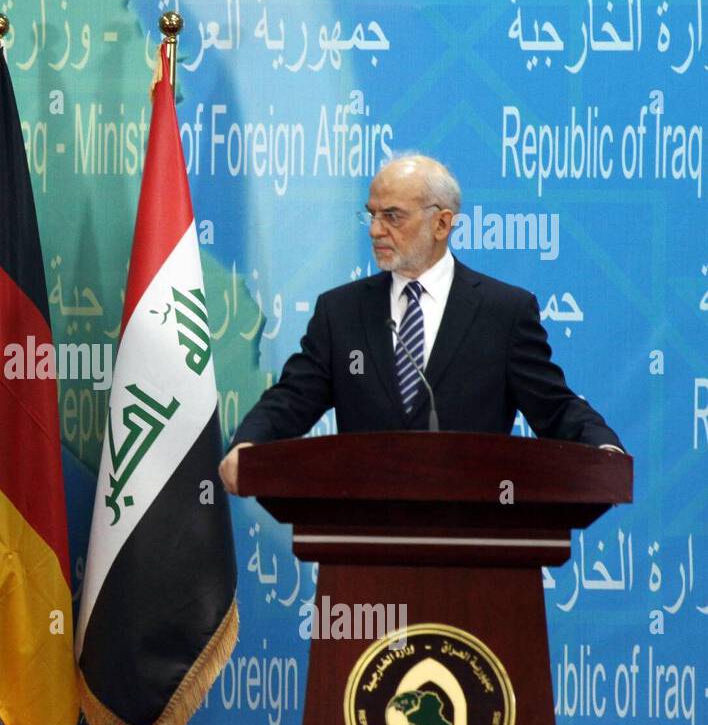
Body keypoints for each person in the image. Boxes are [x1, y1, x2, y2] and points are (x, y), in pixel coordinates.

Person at [220, 153, 622, 494]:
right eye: (373, 215)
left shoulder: (504, 312)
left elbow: (553, 406)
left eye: (392, 216)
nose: (377, 230)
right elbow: (292, 398)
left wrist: (604, 449)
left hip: (475, 541)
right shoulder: (341, 311)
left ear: (442, 224)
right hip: (361, 541)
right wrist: (250, 443)